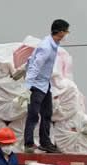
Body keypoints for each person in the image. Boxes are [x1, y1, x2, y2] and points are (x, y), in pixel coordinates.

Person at [23, 19, 69, 154]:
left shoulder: (53, 44)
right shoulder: (46, 47)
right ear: (60, 32)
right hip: (36, 85)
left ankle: (45, 143)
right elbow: (35, 66)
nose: (66, 34)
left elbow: (31, 60)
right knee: (33, 115)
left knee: (47, 114)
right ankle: (28, 144)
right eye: (66, 31)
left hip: (44, 84)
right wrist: (27, 87)